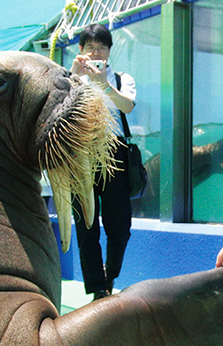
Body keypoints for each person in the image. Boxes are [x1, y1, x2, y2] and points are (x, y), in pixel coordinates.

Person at [69, 24, 136, 300]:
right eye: (91, 48)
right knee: (86, 226)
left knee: (119, 225)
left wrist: (103, 86)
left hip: (115, 154)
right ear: (81, 51)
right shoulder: (71, 79)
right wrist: (74, 75)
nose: (97, 53)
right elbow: (60, 106)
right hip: (80, 155)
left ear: (109, 52)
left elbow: (128, 106)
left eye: (102, 48)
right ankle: (97, 287)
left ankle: (110, 275)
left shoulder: (121, 79)